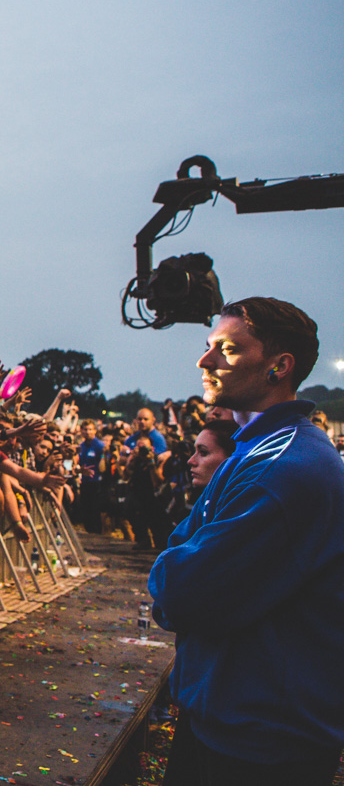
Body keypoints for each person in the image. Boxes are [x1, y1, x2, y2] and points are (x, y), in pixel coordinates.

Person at [149, 297, 344, 786]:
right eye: (209, 346)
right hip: (229, 713)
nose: (205, 360)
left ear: (279, 366)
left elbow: (184, 590)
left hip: (262, 737)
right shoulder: (254, 449)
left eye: (229, 349)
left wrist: (172, 575)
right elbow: (183, 545)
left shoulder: (282, 468)